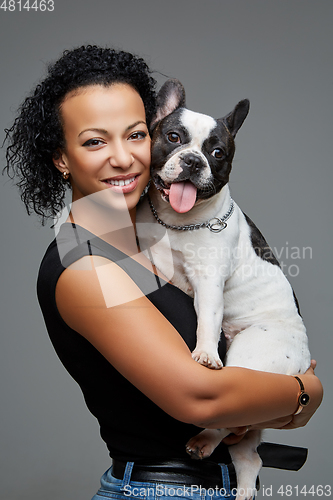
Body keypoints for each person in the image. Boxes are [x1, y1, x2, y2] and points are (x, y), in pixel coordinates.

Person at [4, 45, 323, 500]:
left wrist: (272, 392)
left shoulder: (148, 235)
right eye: (95, 141)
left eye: (135, 135)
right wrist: (304, 392)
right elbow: (200, 399)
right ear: (61, 157)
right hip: (162, 490)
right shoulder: (83, 265)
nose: (124, 158)